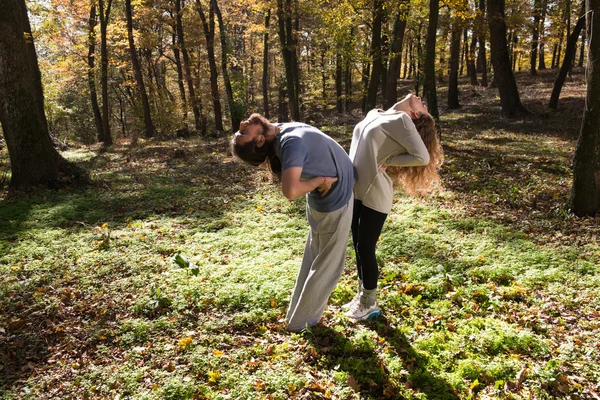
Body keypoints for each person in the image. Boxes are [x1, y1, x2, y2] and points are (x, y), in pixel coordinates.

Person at [231, 114, 356, 332]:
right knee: (326, 268)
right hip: (334, 204)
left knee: (314, 261)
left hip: (326, 203)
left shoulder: (277, 131)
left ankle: (295, 318)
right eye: (243, 132)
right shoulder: (291, 143)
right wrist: (320, 180)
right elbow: (290, 191)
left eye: (241, 130)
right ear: (259, 140)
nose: (242, 124)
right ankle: (300, 324)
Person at [344, 94, 444, 321]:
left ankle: (370, 303)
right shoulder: (375, 114)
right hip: (356, 189)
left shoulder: (402, 121)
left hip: (374, 192)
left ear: (416, 114)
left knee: (366, 247)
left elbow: (422, 157)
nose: (420, 98)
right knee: (358, 246)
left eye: (423, 104)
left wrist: (388, 162)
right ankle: (362, 296)